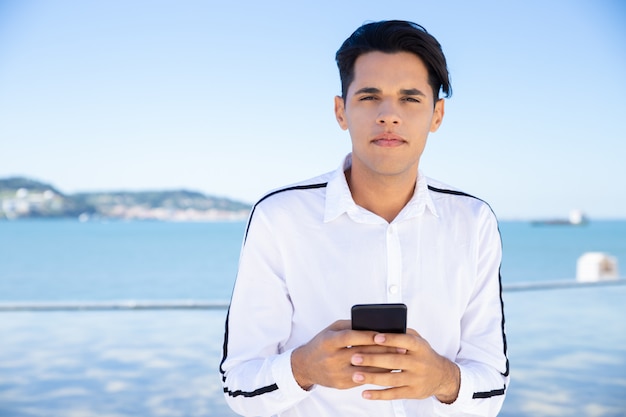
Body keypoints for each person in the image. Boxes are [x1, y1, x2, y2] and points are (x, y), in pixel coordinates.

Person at [220, 20, 509, 416]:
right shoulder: (279, 218)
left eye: (410, 99)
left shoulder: (473, 221)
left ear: (437, 115)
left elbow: (493, 391)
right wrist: (302, 368)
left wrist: (443, 378)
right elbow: (237, 388)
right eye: (370, 97)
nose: (389, 115)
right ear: (341, 110)